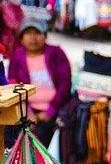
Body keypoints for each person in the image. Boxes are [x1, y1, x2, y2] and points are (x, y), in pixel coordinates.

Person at [7, 17, 72, 145]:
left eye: (37, 33)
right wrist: (28, 112)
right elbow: (12, 85)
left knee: (44, 140)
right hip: (27, 110)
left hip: (55, 110)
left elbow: (65, 85)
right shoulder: (17, 56)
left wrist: (50, 111)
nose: (33, 38)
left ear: (45, 36)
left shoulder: (56, 53)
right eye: (28, 33)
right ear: (21, 38)